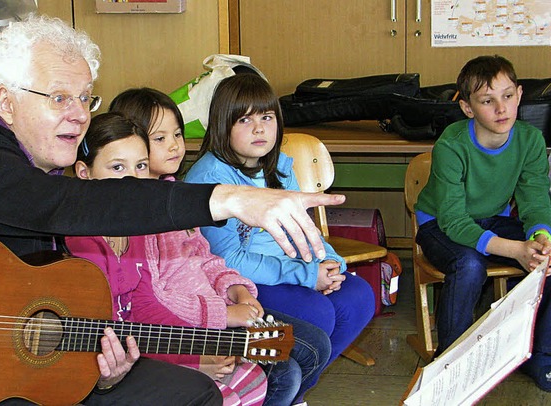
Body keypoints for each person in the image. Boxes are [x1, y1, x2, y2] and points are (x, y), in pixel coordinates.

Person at [0, 15, 346, 405]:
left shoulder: (36, 168)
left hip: (4, 360)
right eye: (59, 98)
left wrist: (104, 372)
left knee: (204, 387)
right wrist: (228, 198)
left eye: (85, 98)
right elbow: (71, 206)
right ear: (6, 103)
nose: (79, 115)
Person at [108, 87, 333, 405]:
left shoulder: (176, 193)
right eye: (160, 138)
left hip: (222, 309)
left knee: (313, 346)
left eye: (177, 133)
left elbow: (207, 257)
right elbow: (155, 301)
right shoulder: (136, 219)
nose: (174, 145)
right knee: (287, 371)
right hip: (198, 325)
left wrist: (238, 290)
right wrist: (225, 313)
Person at [65, 112, 268, 405]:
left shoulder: (135, 230)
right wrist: (193, 358)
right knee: (219, 395)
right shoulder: (79, 240)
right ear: (85, 173)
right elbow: (100, 332)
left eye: (141, 166)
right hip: (100, 361)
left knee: (254, 380)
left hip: (134, 347)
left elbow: (145, 307)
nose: (133, 180)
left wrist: (199, 349)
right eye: (117, 167)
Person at [184, 74, 375, 379]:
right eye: (245, 119)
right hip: (239, 282)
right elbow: (227, 261)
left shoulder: (281, 167)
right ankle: (274, 387)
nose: (259, 128)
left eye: (267, 117)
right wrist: (306, 276)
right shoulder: (209, 178)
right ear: (223, 124)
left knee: (359, 296)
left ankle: (296, 390)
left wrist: (330, 262)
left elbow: (304, 231)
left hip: (289, 269)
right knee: (316, 314)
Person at [413, 55, 551, 391]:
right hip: (439, 225)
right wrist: (514, 249)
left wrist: (540, 238)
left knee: (546, 260)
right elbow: (455, 221)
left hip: (494, 220)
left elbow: (534, 201)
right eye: (487, 101)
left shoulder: (531, 140)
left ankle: (539, 356)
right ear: (468, 109)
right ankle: (450, 362)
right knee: (468, 265)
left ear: (519, 95)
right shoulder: (452, 144)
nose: (501, 108)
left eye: (507, 96)